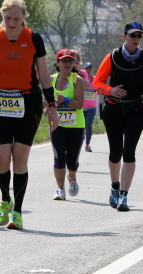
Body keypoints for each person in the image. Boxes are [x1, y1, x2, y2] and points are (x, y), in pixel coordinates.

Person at [0, 0, 58, 230]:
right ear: (2, 16)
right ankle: (5, 199)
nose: (12, 22)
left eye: (16, 19)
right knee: (1, 161)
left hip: (28, 101)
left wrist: (52, 108)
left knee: (19, 159)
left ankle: (17, 212)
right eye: (8, 18)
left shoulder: (33, 38)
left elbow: (43, 74)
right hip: (2, 101)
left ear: (23, 18)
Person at [94, 21, 143, 212]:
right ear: (124, 36)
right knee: (115, 152)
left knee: (129, 152)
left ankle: (124, 195)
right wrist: (110, 90)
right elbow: (97, 82)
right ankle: (115, 186)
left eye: (139, 35)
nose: (136, 39)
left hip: (136, 110)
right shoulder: (112, 57)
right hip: (113, 109)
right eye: (133, 35)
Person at [50, 49, 87, 200]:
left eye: (70, 61)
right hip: (57, 125)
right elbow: (44, 99)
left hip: (76, 126)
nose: (67, 63)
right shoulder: (51, 80)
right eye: (64, 61)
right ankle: (60, 189)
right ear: (57, 63)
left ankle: (71, 177)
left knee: (72, 160)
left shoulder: (78, 80)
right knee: (59, 157)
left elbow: (80, 104)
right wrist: (49, 106)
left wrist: (64, 100)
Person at [81, 62, 98, 152]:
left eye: (90, 68)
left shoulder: (96, 79)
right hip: (81, 107)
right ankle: (80, 141)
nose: (88, 70)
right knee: (81, 126)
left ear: (92, 70)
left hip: (92, 107)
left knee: (88, 125)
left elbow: (99, 92)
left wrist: (100, 90)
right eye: (86, 69)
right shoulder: (81, 79)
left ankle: (87, 145)